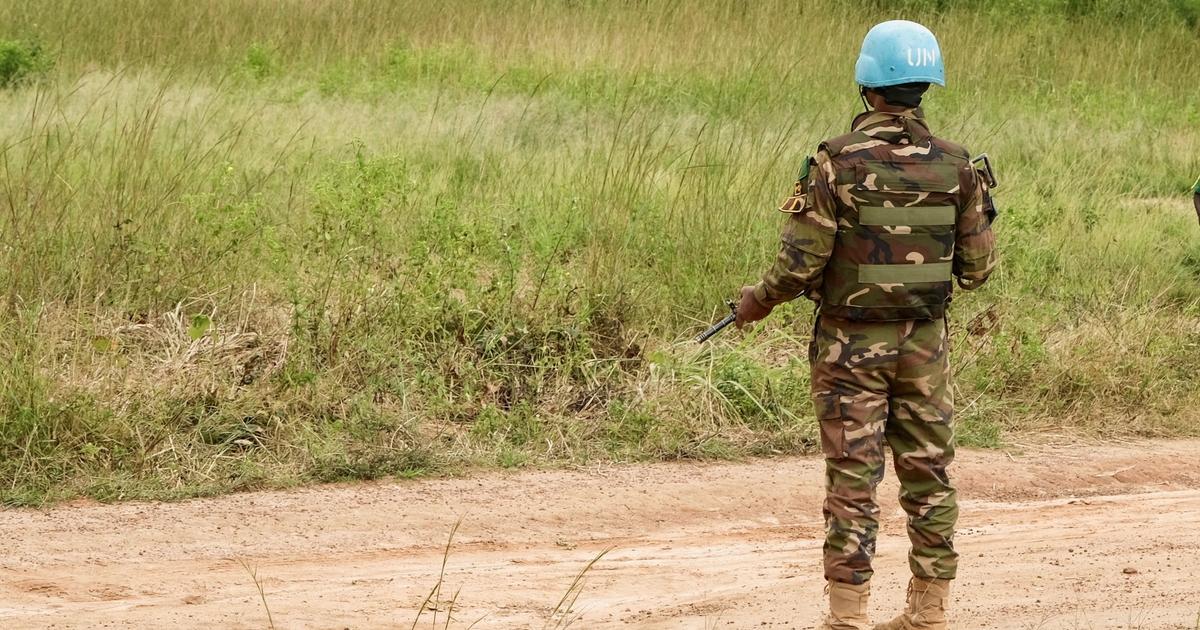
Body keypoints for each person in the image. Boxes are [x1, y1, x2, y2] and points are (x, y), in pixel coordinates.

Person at [734, 20, 998, 630]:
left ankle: (846, 619)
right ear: (926, 84)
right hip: (925, 346)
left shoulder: (837, 161)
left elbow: (799, 266)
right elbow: (977, 269)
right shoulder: (958, 165)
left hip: (850, 348)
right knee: (928, 472)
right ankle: (929, 613)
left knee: (854, 480)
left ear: (867, 83)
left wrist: (756, 301)